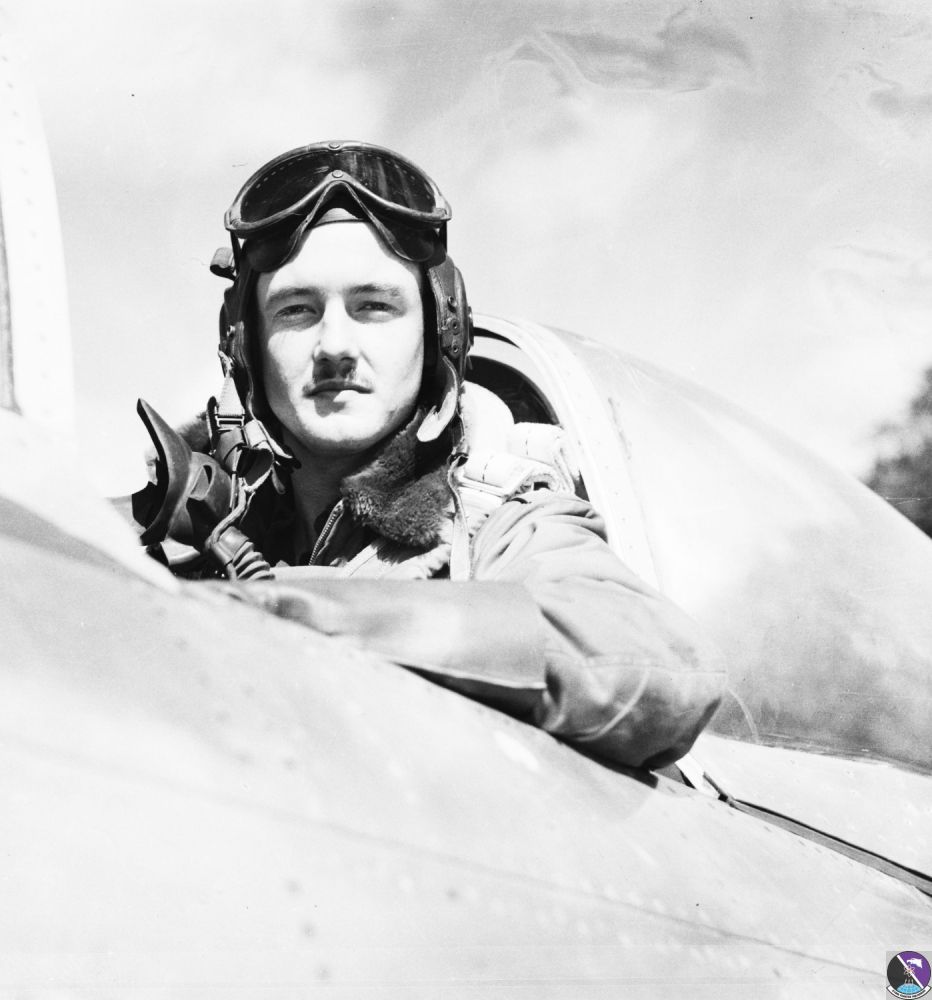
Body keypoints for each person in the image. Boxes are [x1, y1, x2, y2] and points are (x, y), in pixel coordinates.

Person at [134, 140, 725, 768]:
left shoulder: (496, 524)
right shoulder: (189, 532)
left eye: (375, 306)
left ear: (438, 330)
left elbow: (660, 665)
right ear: (245, 344)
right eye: (297, 310)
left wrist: (299, 608)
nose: (334, 345)